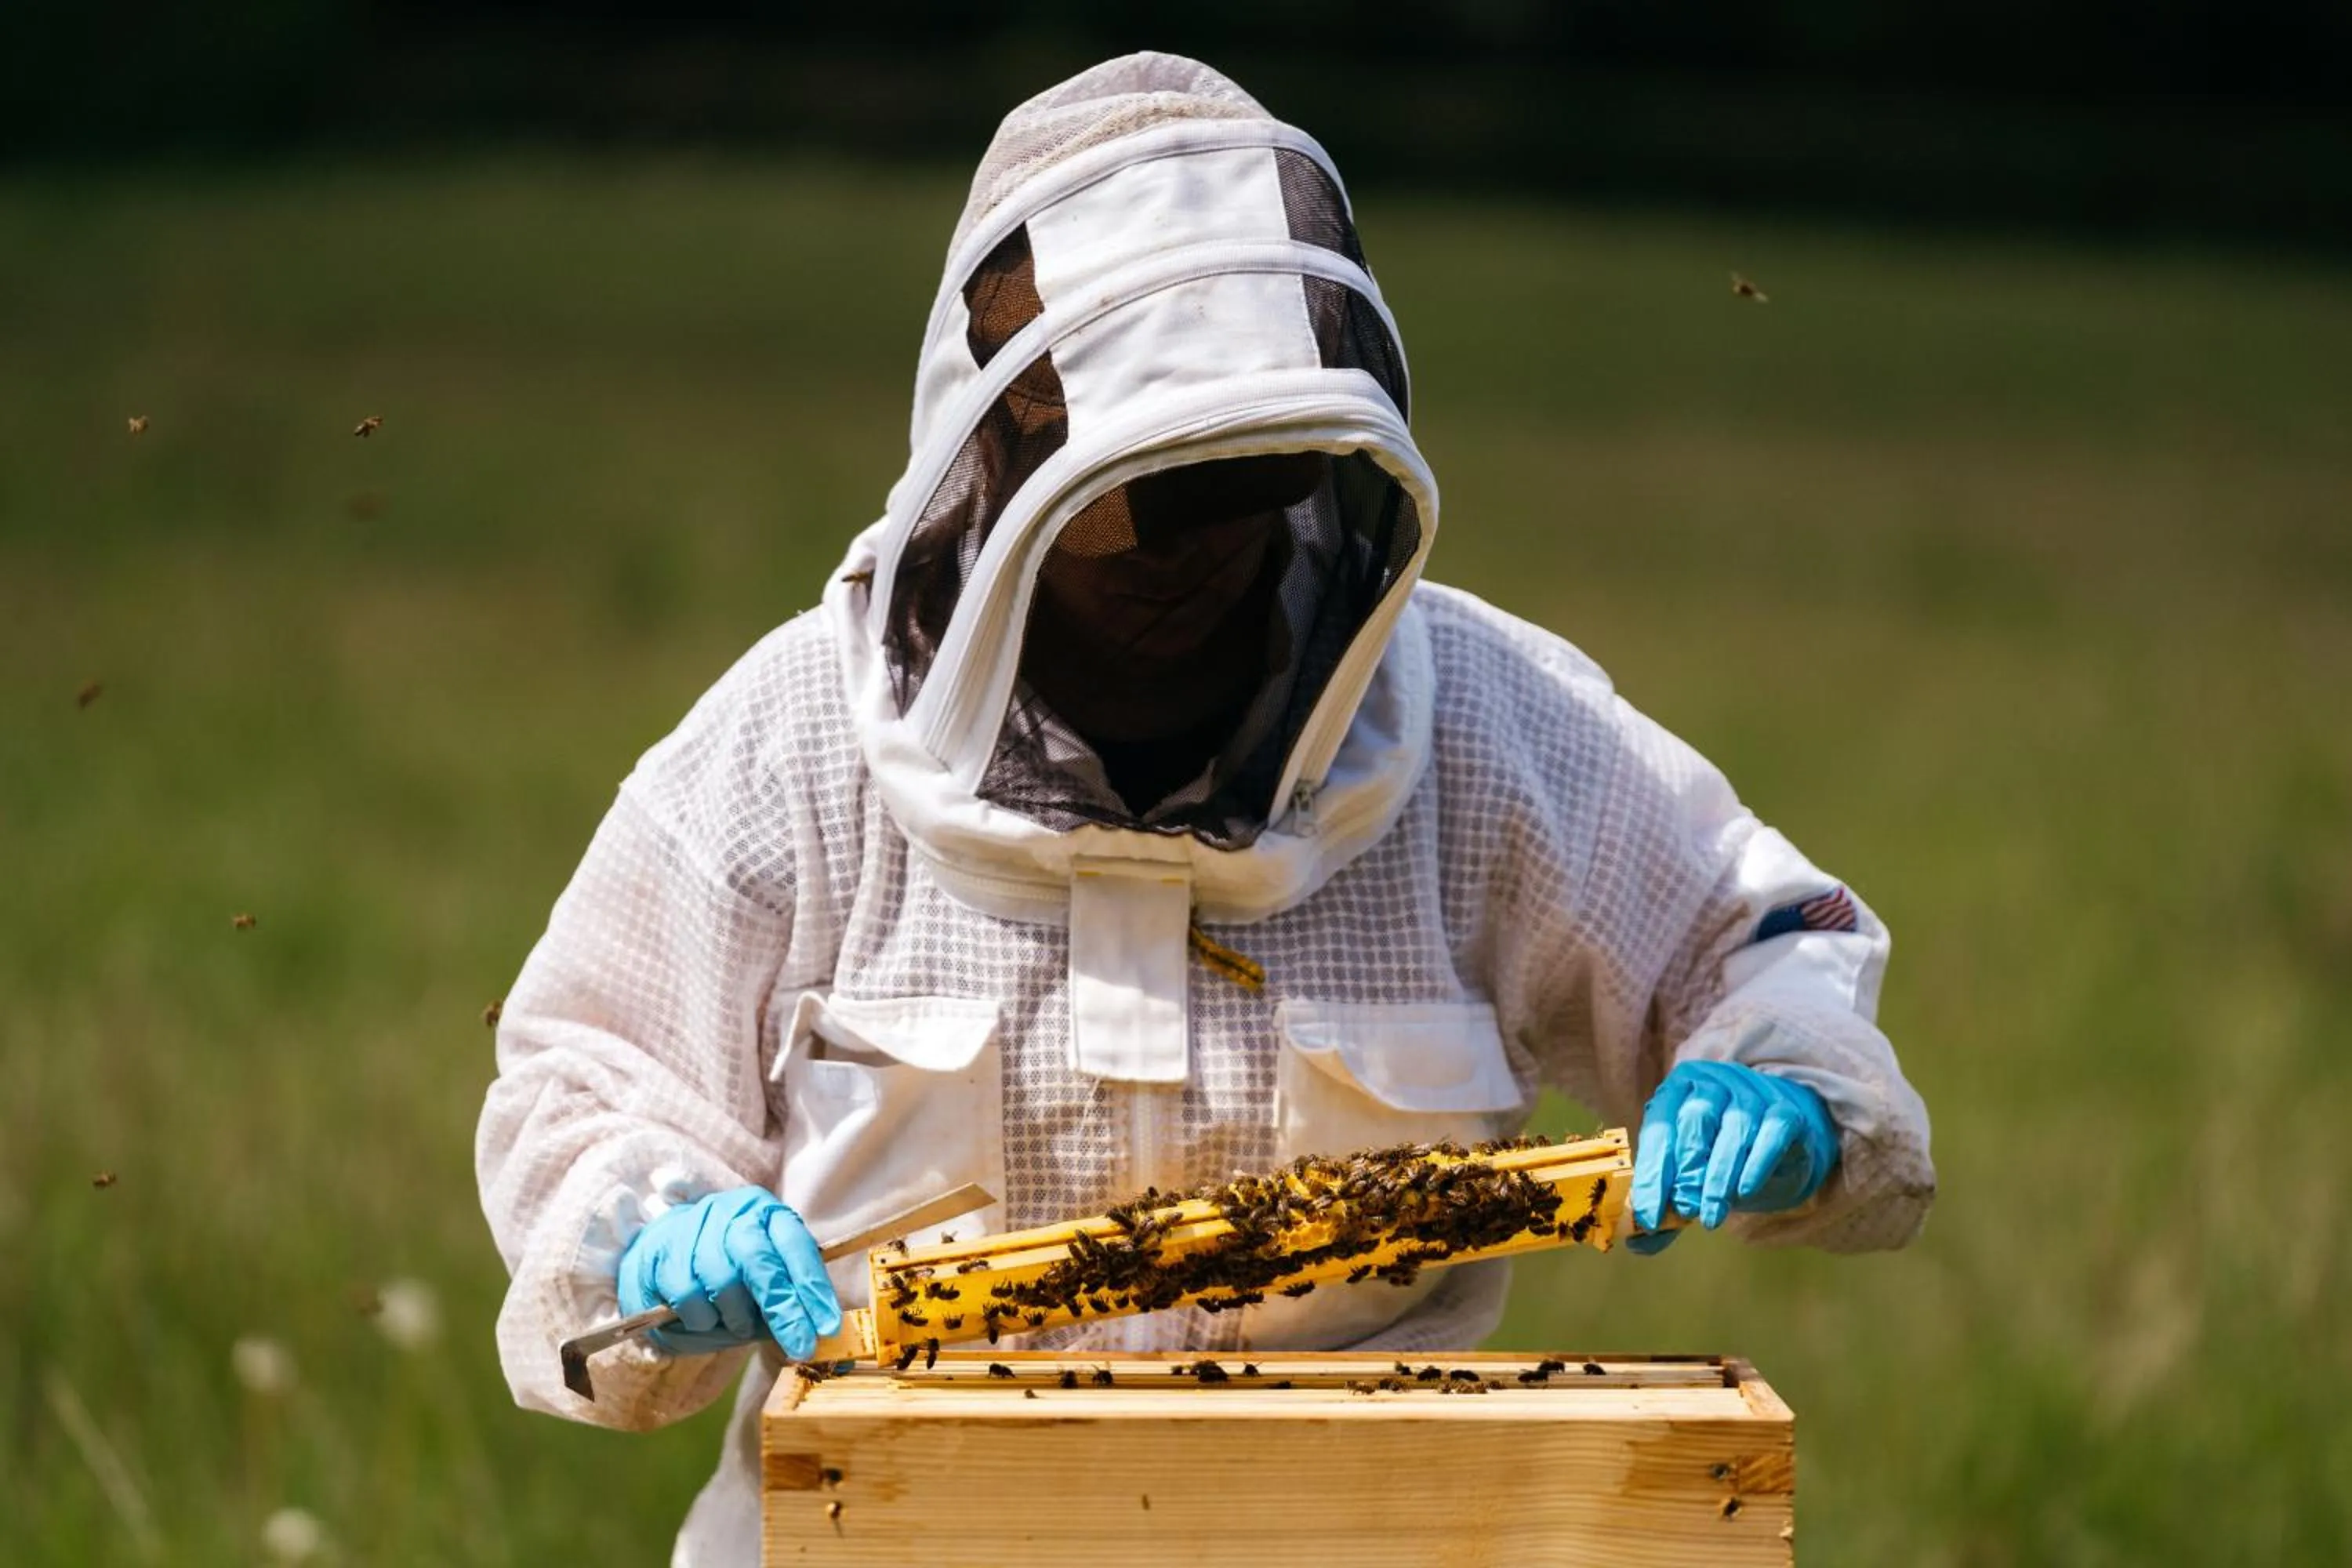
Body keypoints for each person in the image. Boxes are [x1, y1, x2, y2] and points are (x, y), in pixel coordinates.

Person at [476, 51, 1933, 1565]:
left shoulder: (1490, 730)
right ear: (1001, 462)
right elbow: (586, 1079)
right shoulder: (797, 746)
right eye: (1134, 502)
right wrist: (647, 1231)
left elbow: (1758, 942)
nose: (1182, 548)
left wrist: (1783, 1086)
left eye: (1236, 485)